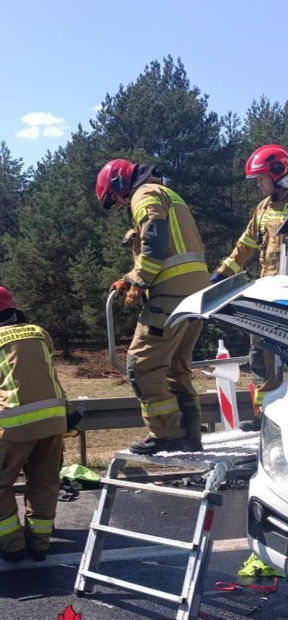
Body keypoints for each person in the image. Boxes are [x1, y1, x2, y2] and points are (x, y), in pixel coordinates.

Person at [95, 160, 209, 455]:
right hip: (197, 292)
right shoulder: (167, 193)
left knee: (141, 364)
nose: (120, 204)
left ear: (120, 184)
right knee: (175, 367)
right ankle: (190, 436)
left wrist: (137, 278)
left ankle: (166, 433)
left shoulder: (143, 193)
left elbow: (155, 234)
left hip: (172, 293)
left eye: (116, 197)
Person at [211, 145, 288, 414]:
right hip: (267, 295)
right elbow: (245, 245)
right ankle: (264, 414)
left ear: (278, 174)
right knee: (260, 355)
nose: (259, 186)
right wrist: (222, 273)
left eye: (261, 179)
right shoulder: (263, 208)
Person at [0, 286, 72, 562]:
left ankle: (12, 546)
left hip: (14, 425)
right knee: (44, 483)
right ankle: (40, 544)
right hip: (53, 422)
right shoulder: (39, 333)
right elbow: (47, 375)